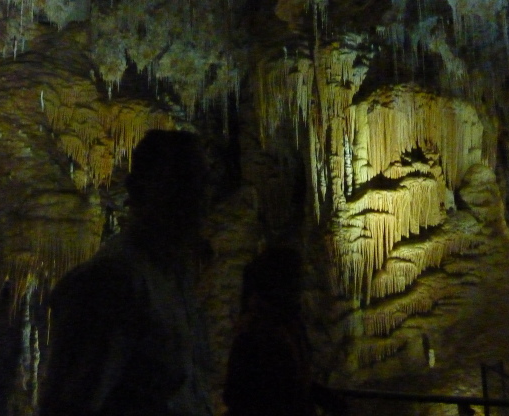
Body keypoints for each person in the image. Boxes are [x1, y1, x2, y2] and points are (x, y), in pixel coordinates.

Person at [40, 129, 214, 416]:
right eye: (184, 183)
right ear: (143, 189)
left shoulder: (174, 279)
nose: (199, 199)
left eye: (204, 184)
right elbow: (70, 403)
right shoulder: (112, 282)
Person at [223, 246, 347, 416]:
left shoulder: (289, 324)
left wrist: (319, 395)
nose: (299, 286)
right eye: (295, 279)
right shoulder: (257, 330)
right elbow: (236, 394)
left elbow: (295, 381)